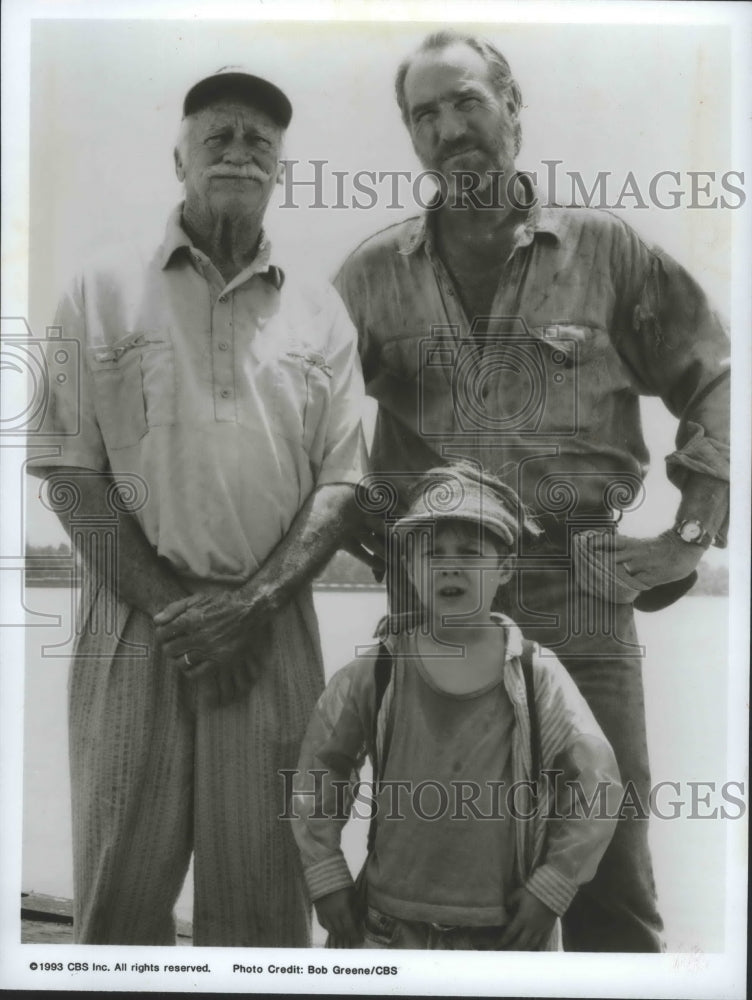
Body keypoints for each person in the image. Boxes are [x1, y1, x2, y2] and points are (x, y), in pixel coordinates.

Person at [334, 32, 730, 952]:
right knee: (440, 871)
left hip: (581, 590)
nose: (449, 128)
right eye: (424, 115)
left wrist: (690, 534)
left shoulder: (607, 252)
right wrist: (373, 533)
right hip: (433, 599)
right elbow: (305, 418)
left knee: (609, 875)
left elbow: (711, 373)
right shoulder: (369, 275)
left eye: (466, 101)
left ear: (513, 106)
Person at [27, 66, 367, 947]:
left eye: (261, 141)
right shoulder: (98, 288)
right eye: (217, 135)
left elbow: (342, 482)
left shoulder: (322, 311)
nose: (239, 151)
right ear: (178, 157)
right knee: (119, 899)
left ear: (281, 171)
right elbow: (68, 473)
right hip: (134, 622)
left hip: (271, 626)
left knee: (264, 910)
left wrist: (250, 605)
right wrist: (179, 612)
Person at [291, 463, 623, 951]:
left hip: (504, 929)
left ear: (506, 567)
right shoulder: (380, 671)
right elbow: (322, 767)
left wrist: (554, 885)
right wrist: (325, 873)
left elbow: (597, 783)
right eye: (432, 554)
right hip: (385, 925)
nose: (449, 566)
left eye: (470, 554)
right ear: (409, 566)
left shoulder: (535, 673)